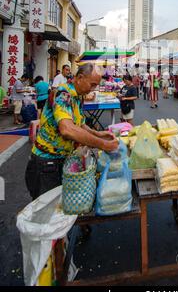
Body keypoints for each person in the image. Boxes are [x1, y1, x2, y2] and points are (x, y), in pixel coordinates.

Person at [25, 63, 118, 201]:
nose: (93, 89)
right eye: (92, 85)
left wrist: (98, 134)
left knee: (62, 207)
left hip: (63, 160)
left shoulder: (77, 96)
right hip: (47, 164)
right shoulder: (63, 94)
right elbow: (67, 129)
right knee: (47, 213)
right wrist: (102, 144)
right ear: (80, 77)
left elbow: (79, 124)